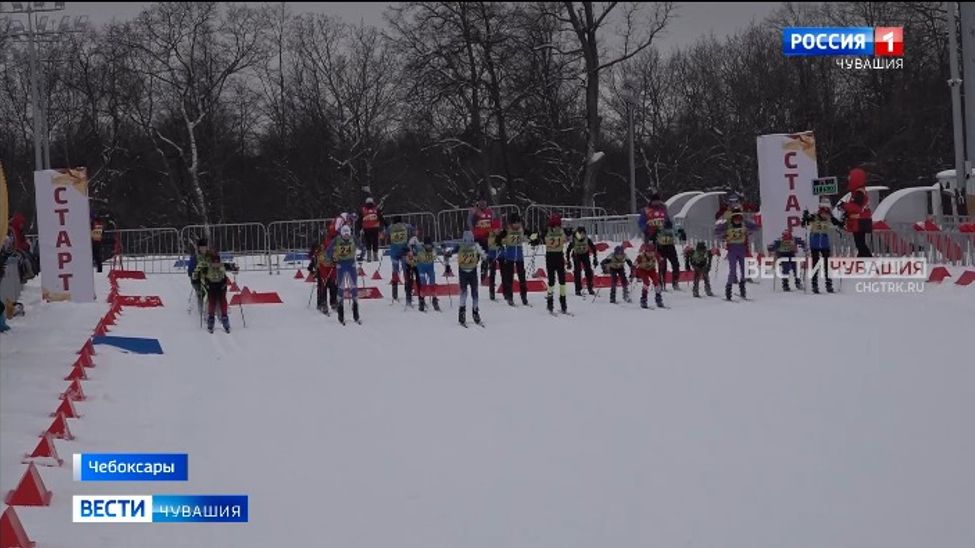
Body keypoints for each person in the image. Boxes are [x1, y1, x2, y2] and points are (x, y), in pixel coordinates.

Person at [714, 205, 758, 300]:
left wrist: (749, 231)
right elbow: (717, 231)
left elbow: (755, 227)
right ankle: (728, 291)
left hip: (742, 248)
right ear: (733, 217)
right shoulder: (728, 224)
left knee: (744, 271)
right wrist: (723, 236)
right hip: (732, 249)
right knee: (733, 270)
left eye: (739, 218)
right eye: (736, 218)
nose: (737, 220)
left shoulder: (744, 222)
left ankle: (742, 290)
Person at [802, 201, 843, 293]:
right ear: (820, 212)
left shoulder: (830, 218)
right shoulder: (813, 217)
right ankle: (814, 285)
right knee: (816, 264)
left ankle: (828, 284)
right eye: (824, 214)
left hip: (825, 243)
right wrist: (805, 217)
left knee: (826, 264)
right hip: (815, 242)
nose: (826, 216)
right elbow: (803, 223)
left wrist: (842, 223)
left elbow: (839, 224)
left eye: (827, 214)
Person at [194, 250, 238, 333]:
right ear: (211, 262)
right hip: (211, 286)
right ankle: (211, 320)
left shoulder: (222, 266)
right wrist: (197, 276)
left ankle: (225, 319)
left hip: (221, 286)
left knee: (223, 301)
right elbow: (198, 271)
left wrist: (234, 268)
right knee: (212, 302)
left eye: (218, 263)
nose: (216, 265)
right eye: (214, 263)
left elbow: (230, 267)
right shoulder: (207, 266)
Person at [325, 224, 361, 324]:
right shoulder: (337, 239)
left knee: (354, 287)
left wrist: (361, 256)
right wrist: (331, 259)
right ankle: (340, 313)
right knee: (341, 287)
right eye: (344, 235)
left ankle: (356, 313)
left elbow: (362, 247)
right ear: (341, 233)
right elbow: (328, 251)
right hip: (341, 265)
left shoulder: (353, 238)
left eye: (347, 235)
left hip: (351, 264)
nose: (346, 237)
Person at [495, 212, 529, 306]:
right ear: (510, 223)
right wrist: (500, 243)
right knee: (509, 277)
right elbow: (498, 239)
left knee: (522, 277)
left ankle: (524, 296)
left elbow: (529, 236)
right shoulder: (507, 231)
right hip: (509, 257)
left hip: (519, 257)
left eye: (518, 223)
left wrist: (534, 239)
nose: (516, 225)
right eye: (514, 223)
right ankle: (510, 296)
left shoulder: (522, 230)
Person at [538, 213, 569, 313]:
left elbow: (571, 236)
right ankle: (550, 302)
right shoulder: (550, 231)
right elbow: (537, 237)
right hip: (551, 257)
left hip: (558, 256)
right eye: (555, 225)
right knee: (552, 281)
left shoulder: (559, 231)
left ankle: (563, 303)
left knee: (562, 281)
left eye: (558, 225)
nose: (557, 227)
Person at [841, 167, 873, 257]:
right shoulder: (858, 192)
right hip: (860, 220)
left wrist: (844, 206)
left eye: (850, 178)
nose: (848, 179)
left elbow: (856, 207)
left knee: (860, 243)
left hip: (859, 221)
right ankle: (862, 259)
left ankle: (868, 260)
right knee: (860, 243)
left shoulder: (859, 193)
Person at [456, 230, 484, 326]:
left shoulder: (476, 246)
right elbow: (449, 252)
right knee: (464, 292)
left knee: (475, 293)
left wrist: (487, 259)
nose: (468, 244)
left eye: (470, 241)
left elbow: (484, 255)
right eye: (466, 241)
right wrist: (447, 261)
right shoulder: (460, 246)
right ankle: (462, 312)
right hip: (463, 272)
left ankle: (475, 312)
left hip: (472, 272)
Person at [386, 216, 414, 302]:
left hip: (394, 252)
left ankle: (394, 294)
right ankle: (408, 294)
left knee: (395, 271)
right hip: (404, 251)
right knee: (406, 271)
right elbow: (413, 228)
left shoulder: (390, 227)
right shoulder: (405, 225)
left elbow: (383, 235)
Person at [567, 226, 598, 296]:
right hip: (576, 255)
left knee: (588, 271)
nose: (581, 235)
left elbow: (593, 248)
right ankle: (578, 289)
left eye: (583, 233)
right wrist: (568, 261)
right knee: (577, 271)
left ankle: (590, 287)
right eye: (580, 233)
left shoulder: (587, 239)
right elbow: (568, 250)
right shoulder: (574, 240)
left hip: (585, 254)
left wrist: (595, 258)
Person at [633, 241, 665, 308]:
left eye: (652, 252)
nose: (650, 254)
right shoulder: (641, 256)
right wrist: (633, 272)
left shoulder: (656, 254)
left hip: (651, 270)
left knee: (656, 282)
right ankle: (643, 299)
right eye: (648, 252)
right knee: (646, 283)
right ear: (645, 252)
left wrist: (661, 263)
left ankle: (658, 298)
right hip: (642, 270)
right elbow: (634, 265)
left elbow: (661, 259)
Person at [655, 218, 684, 291]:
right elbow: (652, 235)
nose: (668, 230)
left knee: (676, 264)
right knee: (662, 266)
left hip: (670, 247)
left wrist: (682, 234)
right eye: (667, 228)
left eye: (669, 228)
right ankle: (661, 284)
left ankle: (675, 283)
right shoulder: (659, 229)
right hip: (661, 248)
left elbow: (678, 233)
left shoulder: (673, 228)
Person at [468, 197, 494, 279]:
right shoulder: (474, 212)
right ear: (478, 203)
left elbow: (494, 222)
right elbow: (469, 223)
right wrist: (474, 233)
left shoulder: (490, 211)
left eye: (484, 203)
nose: (482, 204)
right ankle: (472, 277)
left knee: (485, 258)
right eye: (481, 203)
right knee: (475, 259)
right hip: (477, 239)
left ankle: (484, 277)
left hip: (486, 238)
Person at [415, 236, 442, 312]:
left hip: (430, 268)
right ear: (424, 244)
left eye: (429, 245)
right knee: (423, 284)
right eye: (427, 245)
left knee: (432, 284)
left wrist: (443, 250)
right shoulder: (420, 248)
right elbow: (413, 245)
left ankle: (434, 300)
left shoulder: (433, 249)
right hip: (421, 268)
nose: (428, 246)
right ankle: (422, 301)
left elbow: (439, 250)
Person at [187, 237, 210, 313]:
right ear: (199, 248)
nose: (203, 249)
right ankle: (201, 310)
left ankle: (210, 309)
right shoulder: (195, 258)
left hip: (208, 279)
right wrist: (196, 275)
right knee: (201, 293)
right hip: (197, 280)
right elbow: (190, 271)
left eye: (205, 247)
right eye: (201, 247)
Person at [359, 197, 384, 262]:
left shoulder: (363, 209)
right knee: (375, 242)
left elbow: (360, 219)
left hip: (366, 228)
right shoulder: (376, 209)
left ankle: (369, 257)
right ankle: (375, 256)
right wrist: (385, 224)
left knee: (368, 242)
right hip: (375, 228)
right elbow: (380, 217)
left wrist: (359, 228)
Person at [485, 218, 504, 300]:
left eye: (499, 228)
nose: (498, 230)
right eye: (496, 229)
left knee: (504, 273)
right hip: (492, 255)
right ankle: (491, 292)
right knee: (492, 274)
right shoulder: (490, 235)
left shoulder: (502, 234)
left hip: (501, 255)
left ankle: (506, 292)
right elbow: (490, 243)